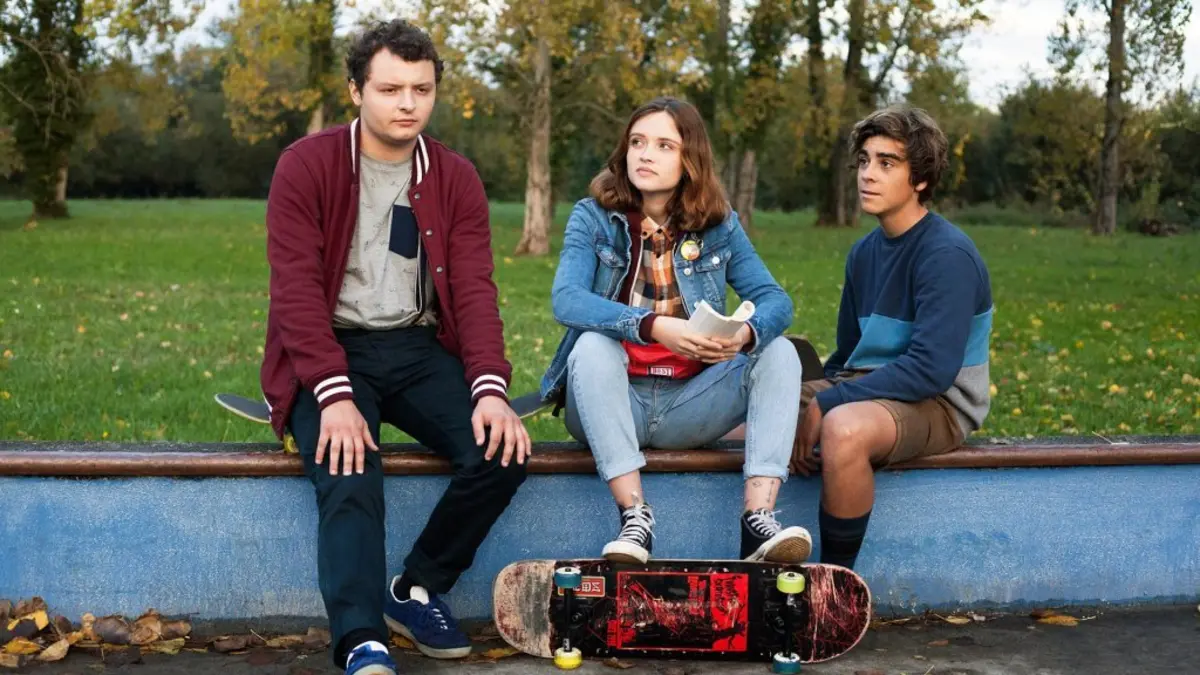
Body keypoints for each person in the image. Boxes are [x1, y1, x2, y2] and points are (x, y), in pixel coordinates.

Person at [259, 19, 530, 675]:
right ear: (356, 91)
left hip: (414, 346)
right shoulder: (307, 165)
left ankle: (414, 588)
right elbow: (295, 292)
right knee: (349, 465)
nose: (407, 104)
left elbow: (475, 291)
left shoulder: (455, 177)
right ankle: (361, 638)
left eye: (421, 89)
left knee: (504, 450)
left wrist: (490, 389)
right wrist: (333, 396)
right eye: (389, 89)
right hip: (328, 349)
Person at [540, 96, 811, 565]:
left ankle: (758, 521)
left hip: (690, 403)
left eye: (664, 146)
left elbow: (776, 301)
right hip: (610, 402)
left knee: (780, 351)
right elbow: (567, 299)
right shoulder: (593, 216)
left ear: (690, 160)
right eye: (637, 142)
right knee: (593, 344)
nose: (646, 154)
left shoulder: (720, 225)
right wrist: (652, 326)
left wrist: (742, 335)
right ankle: (634, 519)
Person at [790, 105, 993, 571]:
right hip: (870, 384)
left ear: (920, 178)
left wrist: (827, 403)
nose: (868, 174)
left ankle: (836, 583)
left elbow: (931, 370)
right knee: (753, 406)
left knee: (844, 428)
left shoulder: (947, 254)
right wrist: (803, 401)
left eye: (887, 163)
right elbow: (847, 356)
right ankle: (756, 549)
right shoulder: (863, 253)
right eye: (864, 161)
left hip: (939, 401)